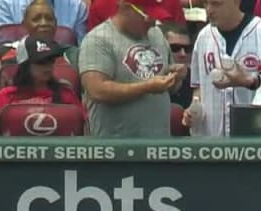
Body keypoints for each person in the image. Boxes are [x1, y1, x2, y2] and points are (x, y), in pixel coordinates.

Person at [186, 0, 261, 137]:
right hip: (211, 140)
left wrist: (250, 81)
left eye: (216, 4)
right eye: (206, 4)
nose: (209, 10)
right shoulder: (203, 38)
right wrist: (193, 109)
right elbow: (198, 87)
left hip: (255, 138)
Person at [79, 0, 187, 137]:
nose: (153, 22)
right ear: (126, 7)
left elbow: (170, 89)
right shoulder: (97, 40)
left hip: (158, 145)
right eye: (148, 15)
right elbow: (97, 90)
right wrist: (146, 87)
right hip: (115, 147)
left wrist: (176, 77)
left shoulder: (157, 35)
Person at [0, 35, 84, 121]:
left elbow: (82, 128)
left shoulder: (65, 94)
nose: (48, 67)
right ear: (25, 65)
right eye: (41, 62)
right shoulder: (7, 96)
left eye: (51, 61)